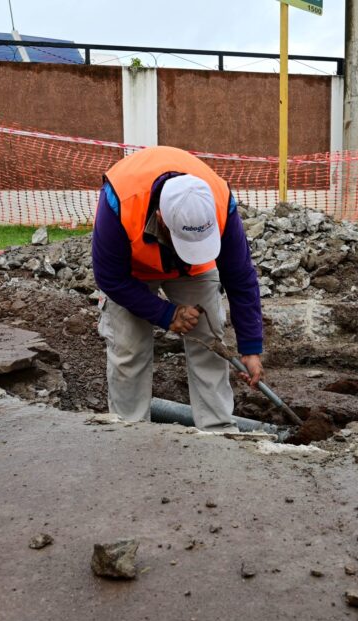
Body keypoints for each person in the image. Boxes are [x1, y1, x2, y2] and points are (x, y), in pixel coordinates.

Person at [92, 146, 264, 431]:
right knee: (129, 348)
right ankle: (128, 432)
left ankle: (218, 432)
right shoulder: (120, 201)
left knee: (210, 340)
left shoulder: (219, 203)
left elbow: (240, 276)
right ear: (161, 219)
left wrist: (250, 348)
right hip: (132, 272)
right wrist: (166, 314)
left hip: (194, 271)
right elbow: (110, 278)